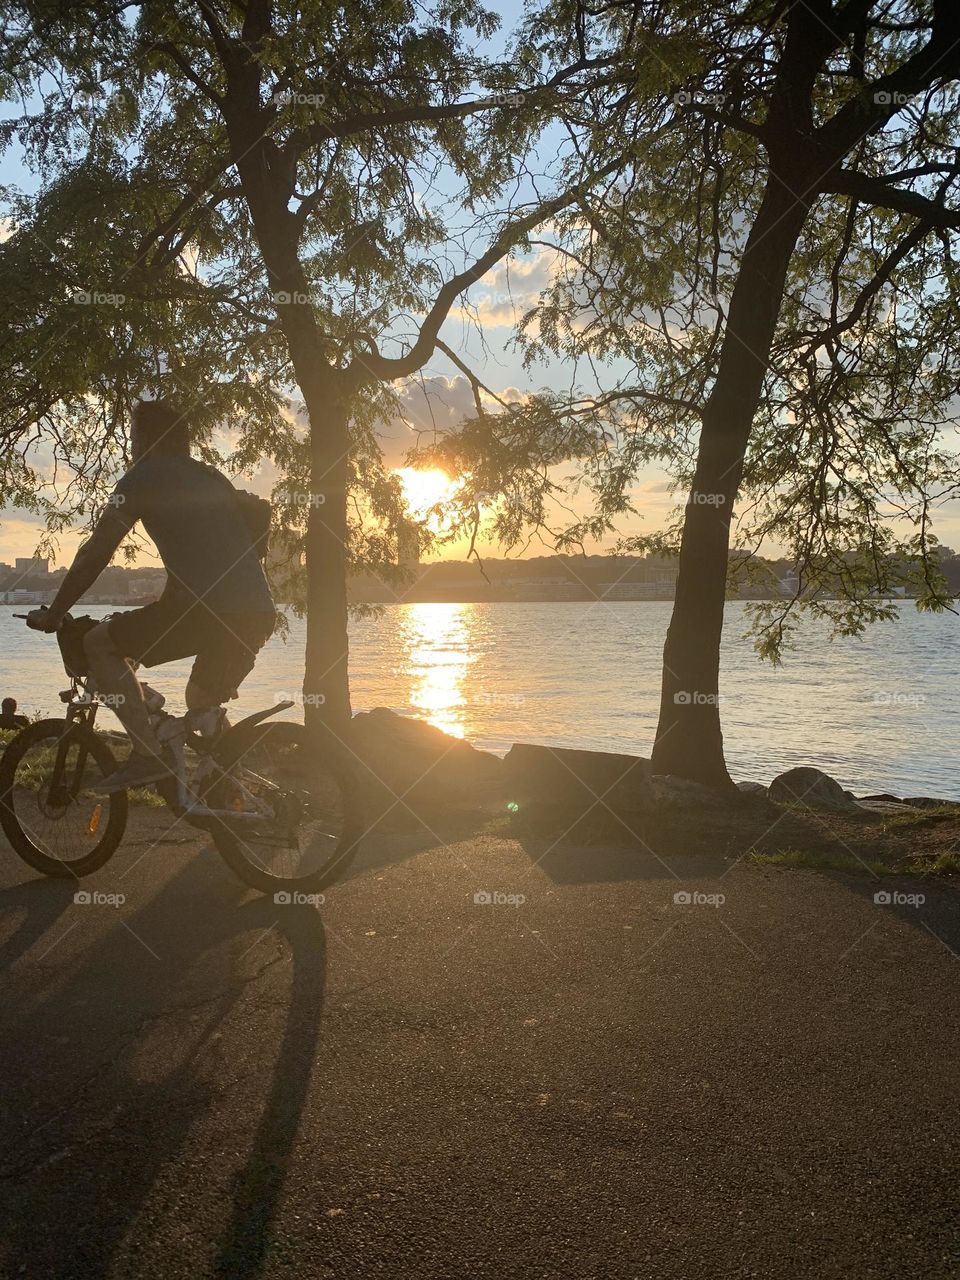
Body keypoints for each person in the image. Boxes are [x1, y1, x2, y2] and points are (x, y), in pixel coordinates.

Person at [27, 398, 276, 791]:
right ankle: (234, 796)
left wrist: (56, 613)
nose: (131, 445)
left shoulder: (142, 477)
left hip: (204, 611)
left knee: (98, 642)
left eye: (133, 435)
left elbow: (96, 553)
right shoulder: (211, 476)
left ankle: (147, 755)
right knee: (201, 698)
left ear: (143, 438)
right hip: (256, 610)